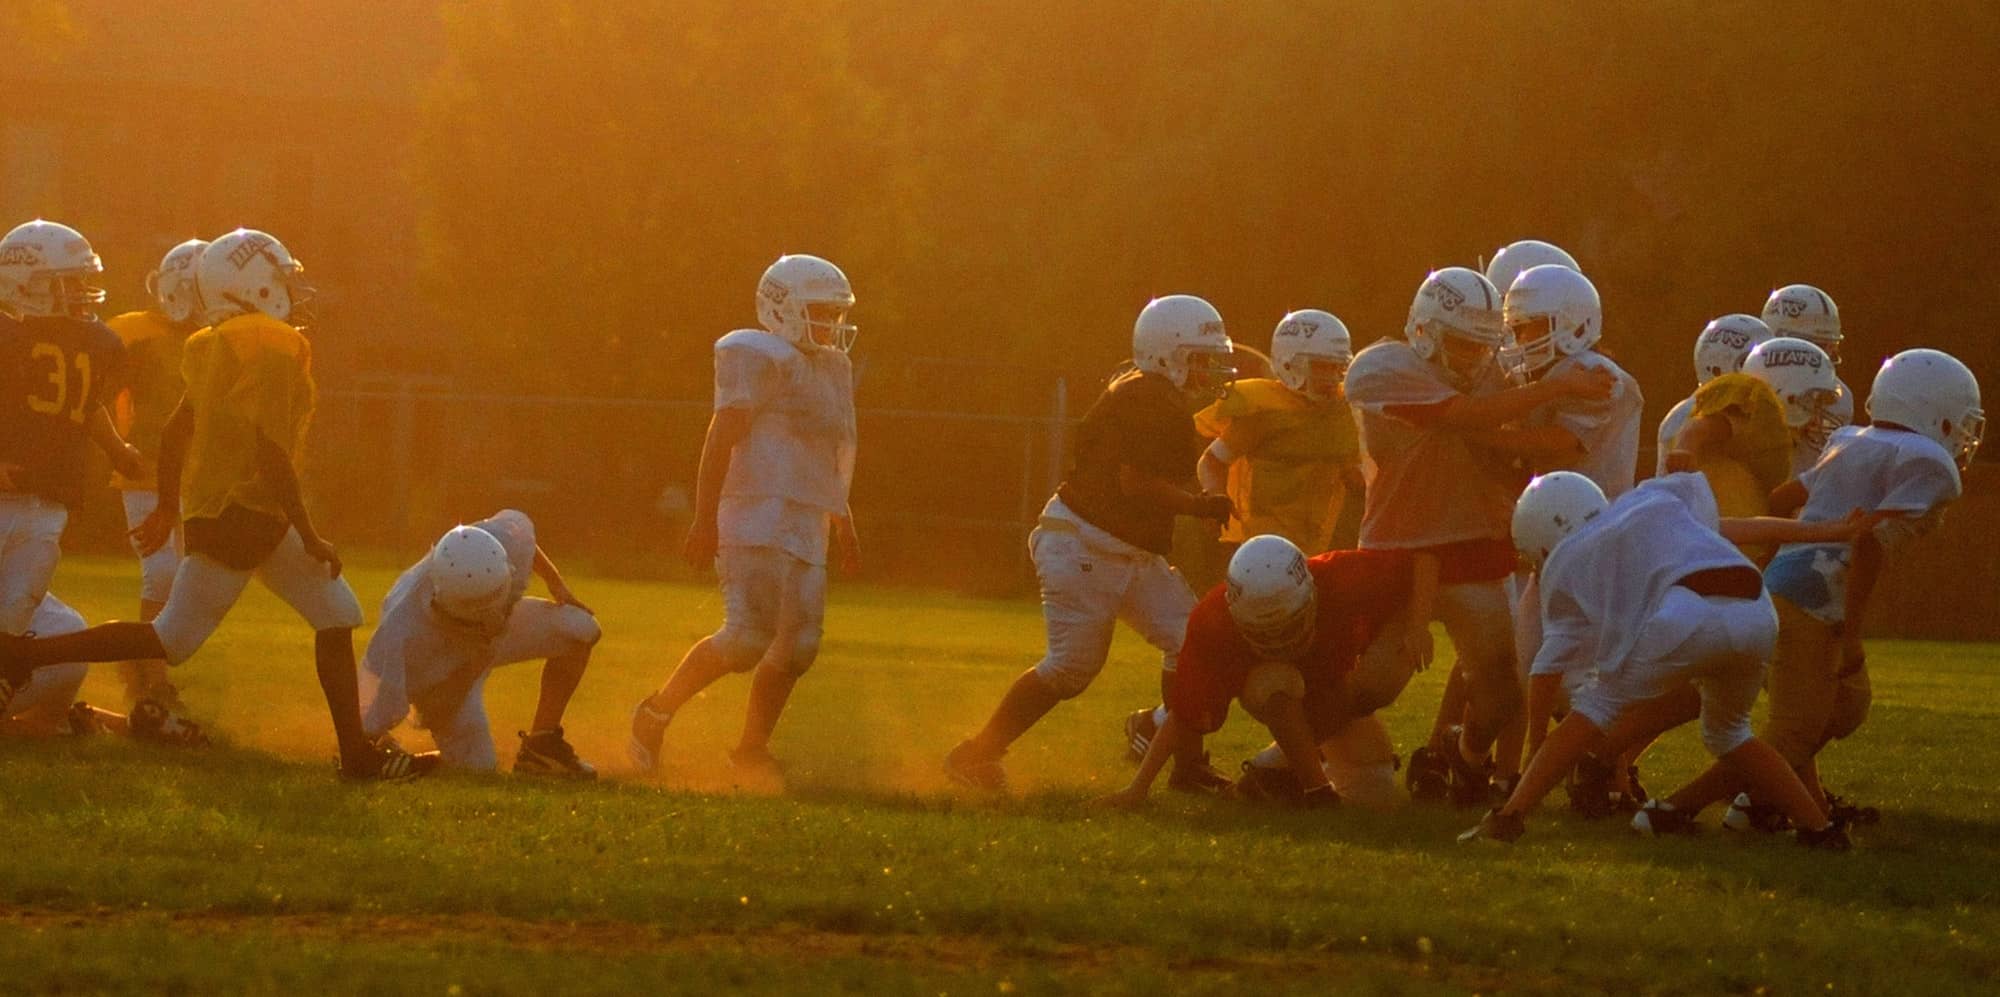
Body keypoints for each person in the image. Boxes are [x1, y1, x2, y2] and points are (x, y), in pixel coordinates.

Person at [0, 229, 428, 781]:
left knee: (336, 613)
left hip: (231, 510)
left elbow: (178, 430)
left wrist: (168, 506)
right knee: (170, 639)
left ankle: (358, 757)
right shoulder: (272, 342)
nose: (291, 289)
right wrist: (310, 530)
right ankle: (22, 656)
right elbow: (270, 453)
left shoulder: (215, 339)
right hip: (245, 512)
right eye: (281, 277)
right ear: (252, 285)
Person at [1457, 471, 1862, 848]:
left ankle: (1510, 816)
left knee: (1595, 707)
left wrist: (1536, 749)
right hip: (1757, 611)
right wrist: (1824, 531)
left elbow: (1546, 669)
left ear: (1542, 541)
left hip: (1685, 617)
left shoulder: (1566, 560)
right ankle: (1819, 829)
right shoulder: (1653, 502)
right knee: (1732, 734)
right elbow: (1743, 525)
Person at [1345, 266, 1614, 807]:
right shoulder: (1381, 366)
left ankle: (1461, 755)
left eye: (1481, 346)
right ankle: (1285, 758)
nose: (1475, 359)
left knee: (1501, 688)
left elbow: (1501, 433)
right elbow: (1466, 416)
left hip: (1473, 541)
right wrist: (1559, 384)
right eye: (1463, 345)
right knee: (1374, 685)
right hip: (1397, 544)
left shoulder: (1492, 374)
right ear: (1423, 331)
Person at [945, 294, 1234, 794]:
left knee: (1193, 641)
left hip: (1126, 549)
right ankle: (974, 754)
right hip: (1084, 545)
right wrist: (1200, 506)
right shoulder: (1149, 400)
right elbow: (1134, 483)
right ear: (1167, 352)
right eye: (1200, 357)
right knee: (1073, 668)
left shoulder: (1150, 393)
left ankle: (1187, 766)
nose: (1208, 369)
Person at [628, 254, 861, 785]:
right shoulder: (755, 356)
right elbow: (720, 438)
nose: (831, 324)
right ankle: (655, 712)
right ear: (782, 309)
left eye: (835, 312)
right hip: (755, 512)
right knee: (747, 637)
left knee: (799, 646)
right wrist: (703, 518)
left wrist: (843, 519)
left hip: (806, 518)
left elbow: (831, 452)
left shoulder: (831, 366)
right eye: (820, 311)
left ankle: (751, 748)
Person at [1123, 308, 1361, 761]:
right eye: (1322, 366)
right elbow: (1211, 461)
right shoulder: (1261, 411)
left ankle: (1166, 728)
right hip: (1251, 547)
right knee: (1232, 659)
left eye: (1337, 367)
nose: (1331, 377)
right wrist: (1214, 500)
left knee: (1303, 661)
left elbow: (1355, 473)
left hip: (1309, 555)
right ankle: (1158, 727)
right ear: (1291, 363)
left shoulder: (1339, 415)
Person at [362, 512, 599, 776]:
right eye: (479, 612)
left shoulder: (488, 546)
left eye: (494, 600)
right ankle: (419, 759)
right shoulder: (403, 630)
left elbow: (522, 540)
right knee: (478, 769)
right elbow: (369, 713)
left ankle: (542, 744)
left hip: (495, 639)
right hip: (449, 671)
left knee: (581, 629)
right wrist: (371, 744)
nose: (491, 617)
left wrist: (556, 584)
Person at [103, 238, 209, 712]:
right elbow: (90, 392)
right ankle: (150, 681)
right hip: (146, 470)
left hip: (203, 476)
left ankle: (142, 666)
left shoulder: (219, 337)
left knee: (191, 580)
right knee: (162, 573)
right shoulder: (135, 334)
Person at [1760, 284, 1854, 476]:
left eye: (1830, 346)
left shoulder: (1839, 396)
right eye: (1818, 346)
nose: (1824, 355)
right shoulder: (1745, 388)